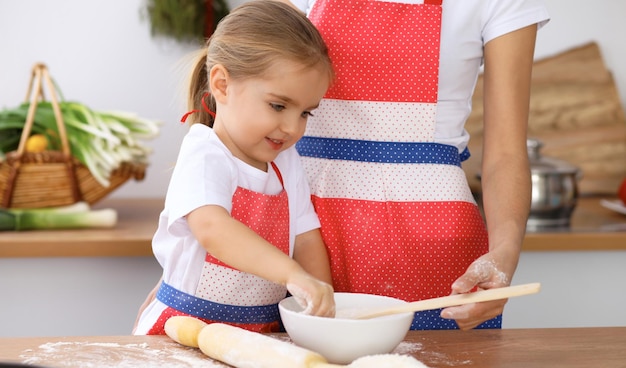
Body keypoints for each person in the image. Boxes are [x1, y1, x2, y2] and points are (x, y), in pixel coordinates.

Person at [286, 0, 550, 330]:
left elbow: (505, 153)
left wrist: (504, 254)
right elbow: (259, 85)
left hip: (432, 249)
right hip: (300, 235)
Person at [133, 0, 336, 335]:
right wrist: (291, 274)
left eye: (305, 113)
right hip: (185, 331)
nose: (292, 128)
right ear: (222, 85)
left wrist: (325, 306)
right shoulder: (205, 153)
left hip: (259, 332)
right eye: (278, 105)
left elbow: (306, 239)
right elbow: (213, 229)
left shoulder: (286, 163)